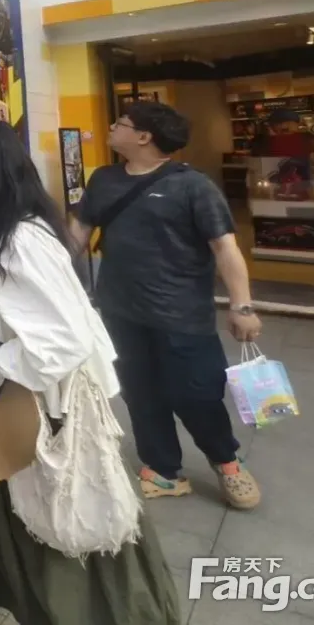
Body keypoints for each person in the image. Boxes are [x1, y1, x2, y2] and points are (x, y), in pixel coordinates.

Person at [0, 117, 181, 625]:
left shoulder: (19, 241)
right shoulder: (6, 234)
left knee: (49, 536)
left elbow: (64, 340)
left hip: (22, 416)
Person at [72, 102, 261, 509]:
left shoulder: (193, 186)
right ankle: (162, 469)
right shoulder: (104, 179)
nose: (111, 126)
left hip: (182, 315)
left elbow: (225, 248)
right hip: (120, 312)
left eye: (121, 123)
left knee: (197, 393)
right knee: (140, 392)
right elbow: (78, 234)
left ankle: (227, 462)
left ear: (144, 137)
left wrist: (242, 306)